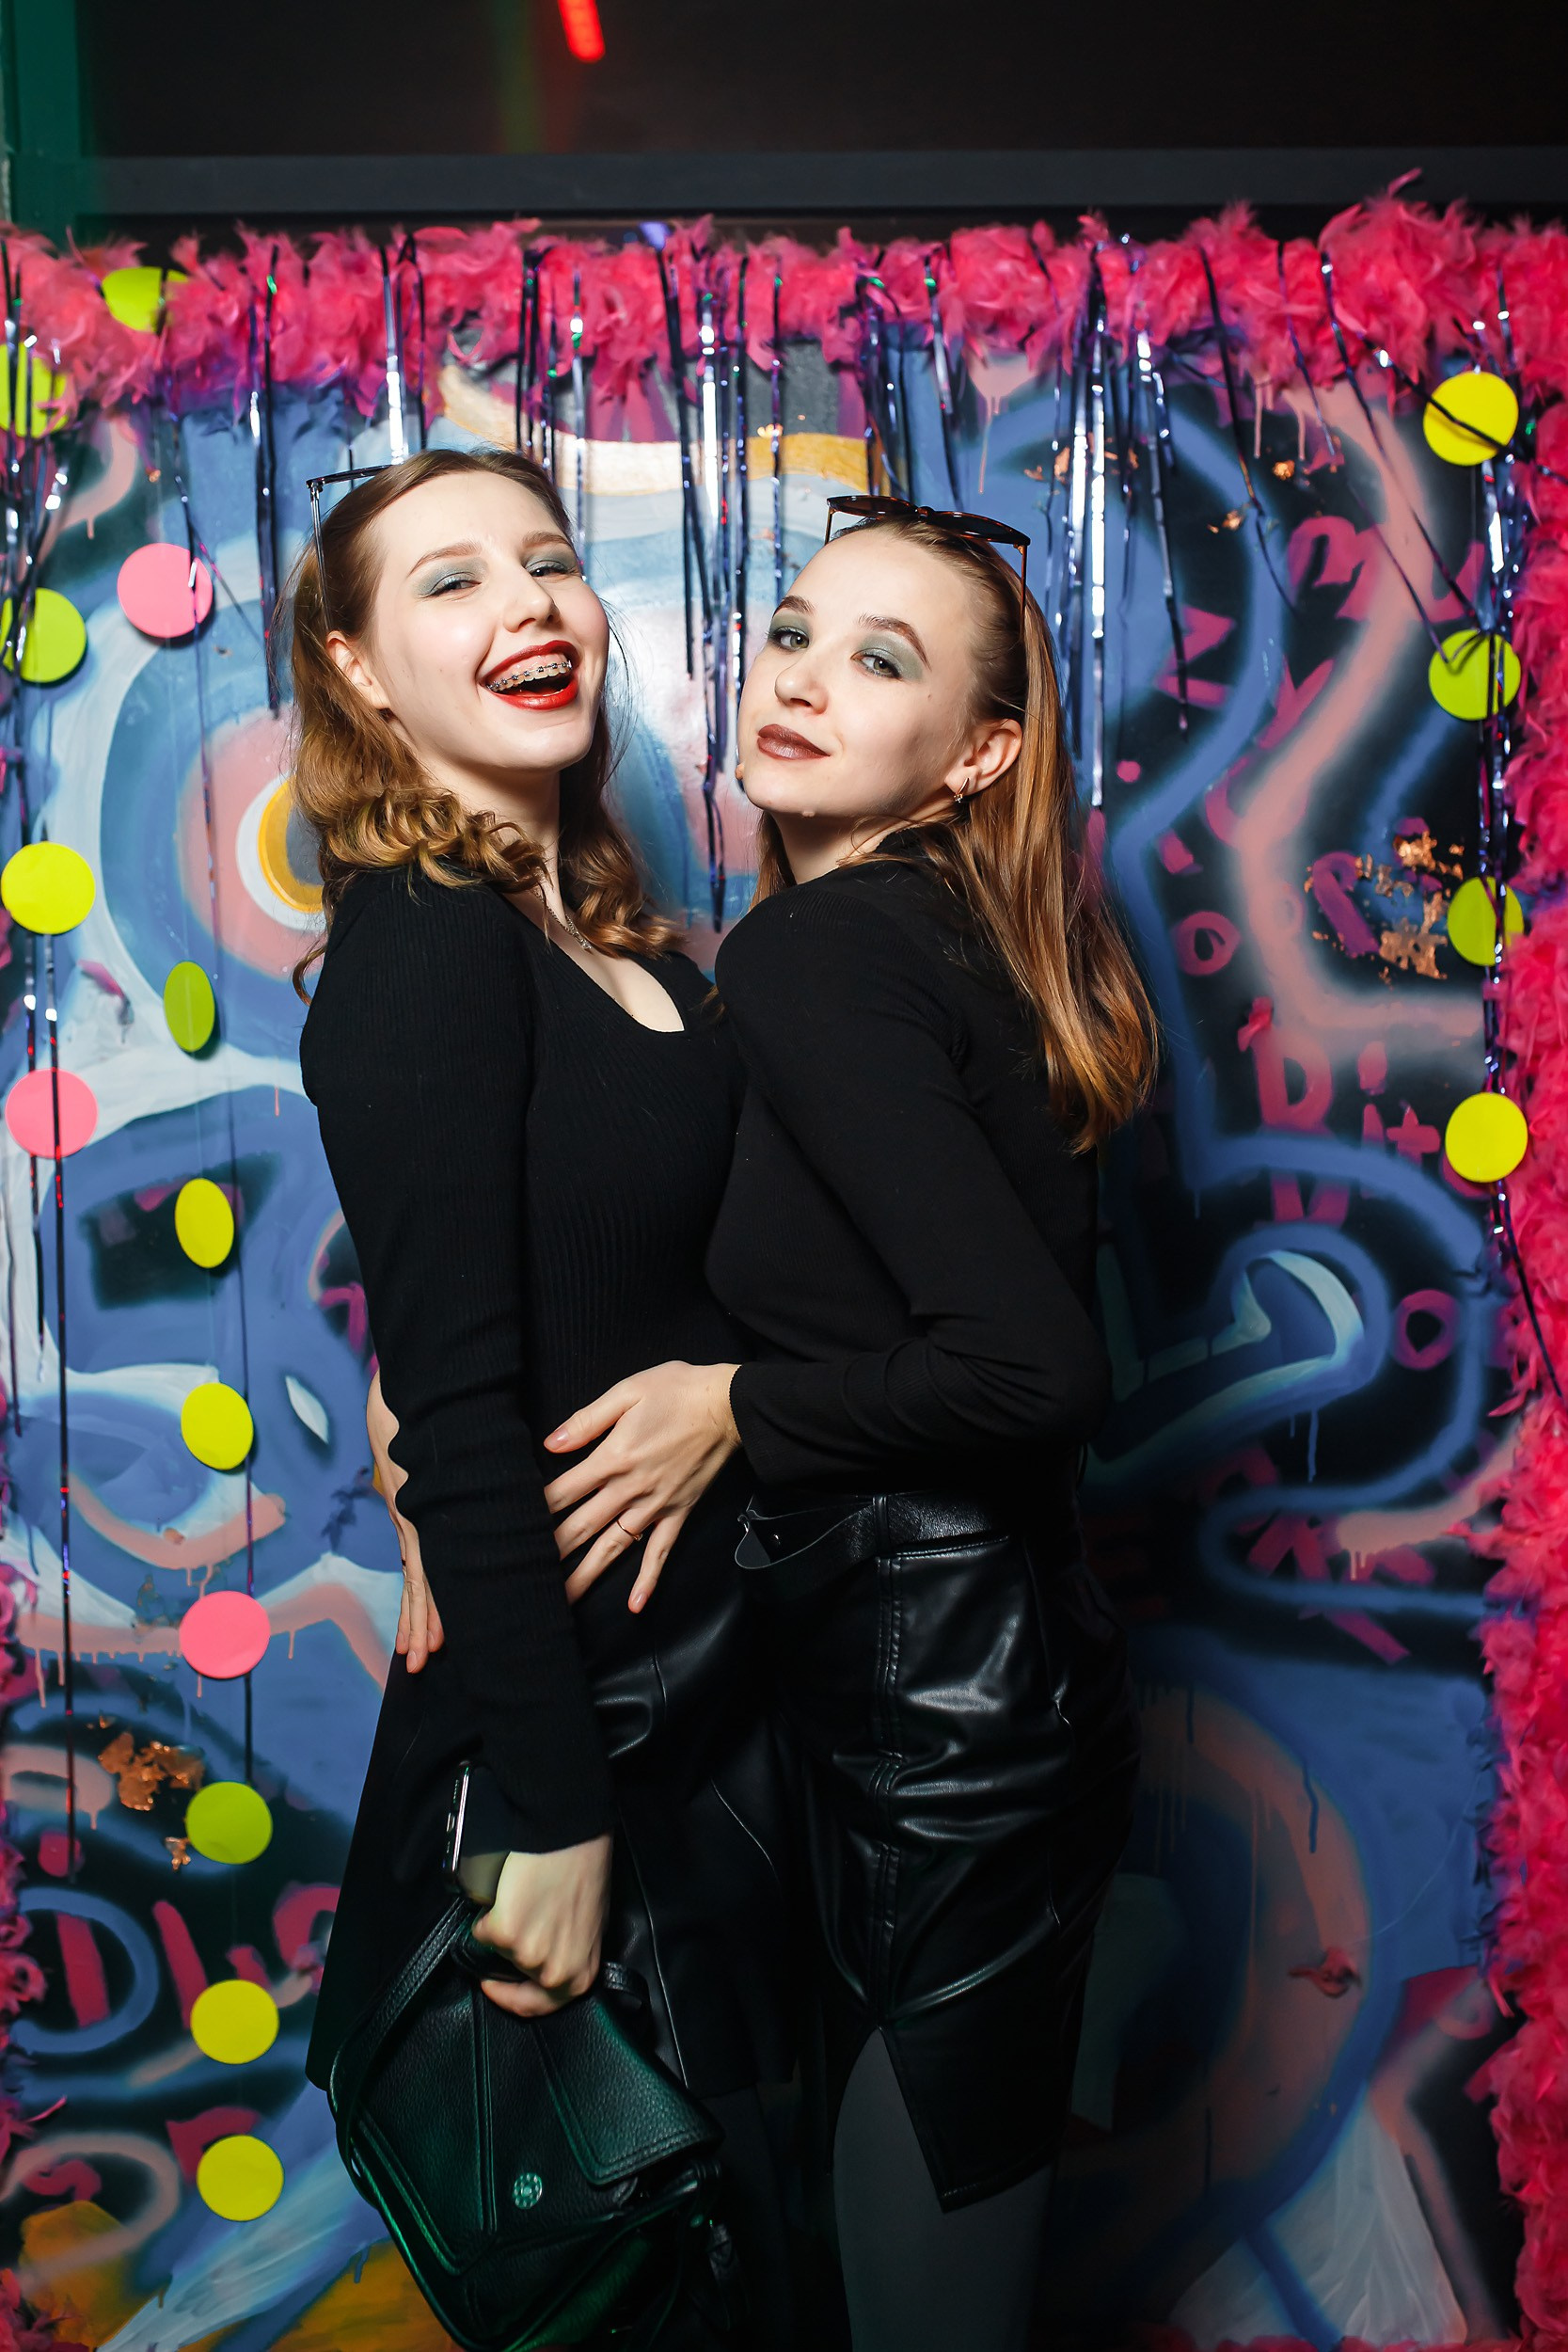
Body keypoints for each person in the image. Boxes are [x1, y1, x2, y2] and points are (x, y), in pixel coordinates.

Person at [538, 501, 1156, 2352]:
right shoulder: (927, 936)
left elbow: (1035, 1370)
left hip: (941, 1719)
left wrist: (738, 1405)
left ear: (976, 756)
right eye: (798, 631)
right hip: (975, 1685)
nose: (802, 679)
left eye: (881, 661)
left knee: (921, 2308)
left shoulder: (825, 954)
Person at [289, 446, 792, 2346]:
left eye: (549, 561)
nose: (527, 603)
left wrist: (741, 1392)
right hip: (586, 1740)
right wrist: (555, 1814)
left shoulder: (623, 943)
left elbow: (696, 1292)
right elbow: (465, 1403)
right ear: (357, 671)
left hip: (722, 1711)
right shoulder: (424, 943)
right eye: (451, 582)